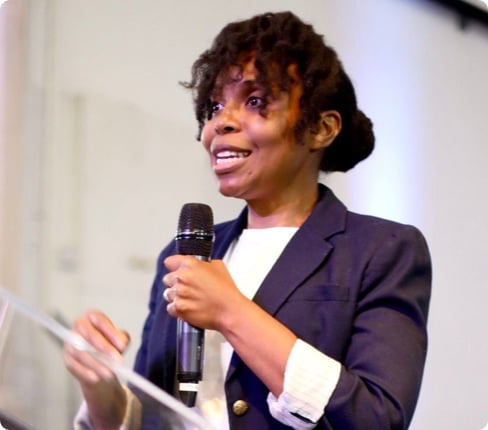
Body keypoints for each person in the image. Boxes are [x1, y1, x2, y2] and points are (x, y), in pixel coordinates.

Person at [65, 10, 432, 430]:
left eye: (255, 101)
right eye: (216, 104)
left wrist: (231, 312)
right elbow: (157, 418)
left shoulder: (382, 249)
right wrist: (101, 387)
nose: (221, 122)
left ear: (320, 128)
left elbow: (377, 418)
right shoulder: (184, 254)